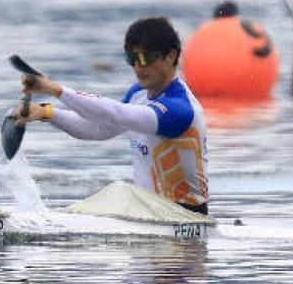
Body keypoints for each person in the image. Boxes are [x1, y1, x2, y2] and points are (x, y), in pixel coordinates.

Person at [15, 16, 209, 214]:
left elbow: (116, 113)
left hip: (185, 217)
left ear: (170, 56)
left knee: (119, 190)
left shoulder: (181, 109)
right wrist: (46, 113)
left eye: (145, 58)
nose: (138, 67)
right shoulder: (138, 94)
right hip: (148, 212)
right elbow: (98, 129)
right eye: (132, 58)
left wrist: (55, 90)